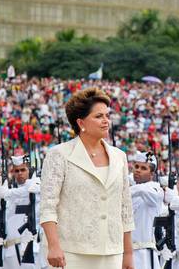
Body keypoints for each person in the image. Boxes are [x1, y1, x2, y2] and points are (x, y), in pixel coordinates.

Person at [40, 88, 135, 269]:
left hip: (112, 252)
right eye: (99, 116)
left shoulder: (119, 156)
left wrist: (128, 253)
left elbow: (125, 208)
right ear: (81, 122)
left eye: (107, 115)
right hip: (70, 253)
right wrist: (53, 246)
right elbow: (48, 206)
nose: (106, 121)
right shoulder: (59, 155)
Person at [0, 154, 46, 269]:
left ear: (30, 170)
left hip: (30, 247)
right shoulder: (11, 190)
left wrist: (7, 193)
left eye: (23, 170)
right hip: (10, 250)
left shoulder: (37, 185)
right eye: (16, 170)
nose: (19, 173)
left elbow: (30, 189)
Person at [130, 151, 164, 269]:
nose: (138, 170)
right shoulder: (131, 188)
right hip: (125, 252)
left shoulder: (155, 189)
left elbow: (146, 192)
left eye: (143, 168)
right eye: (136, 166)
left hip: (144, 253)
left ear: (151, 174)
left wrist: (126, 190)